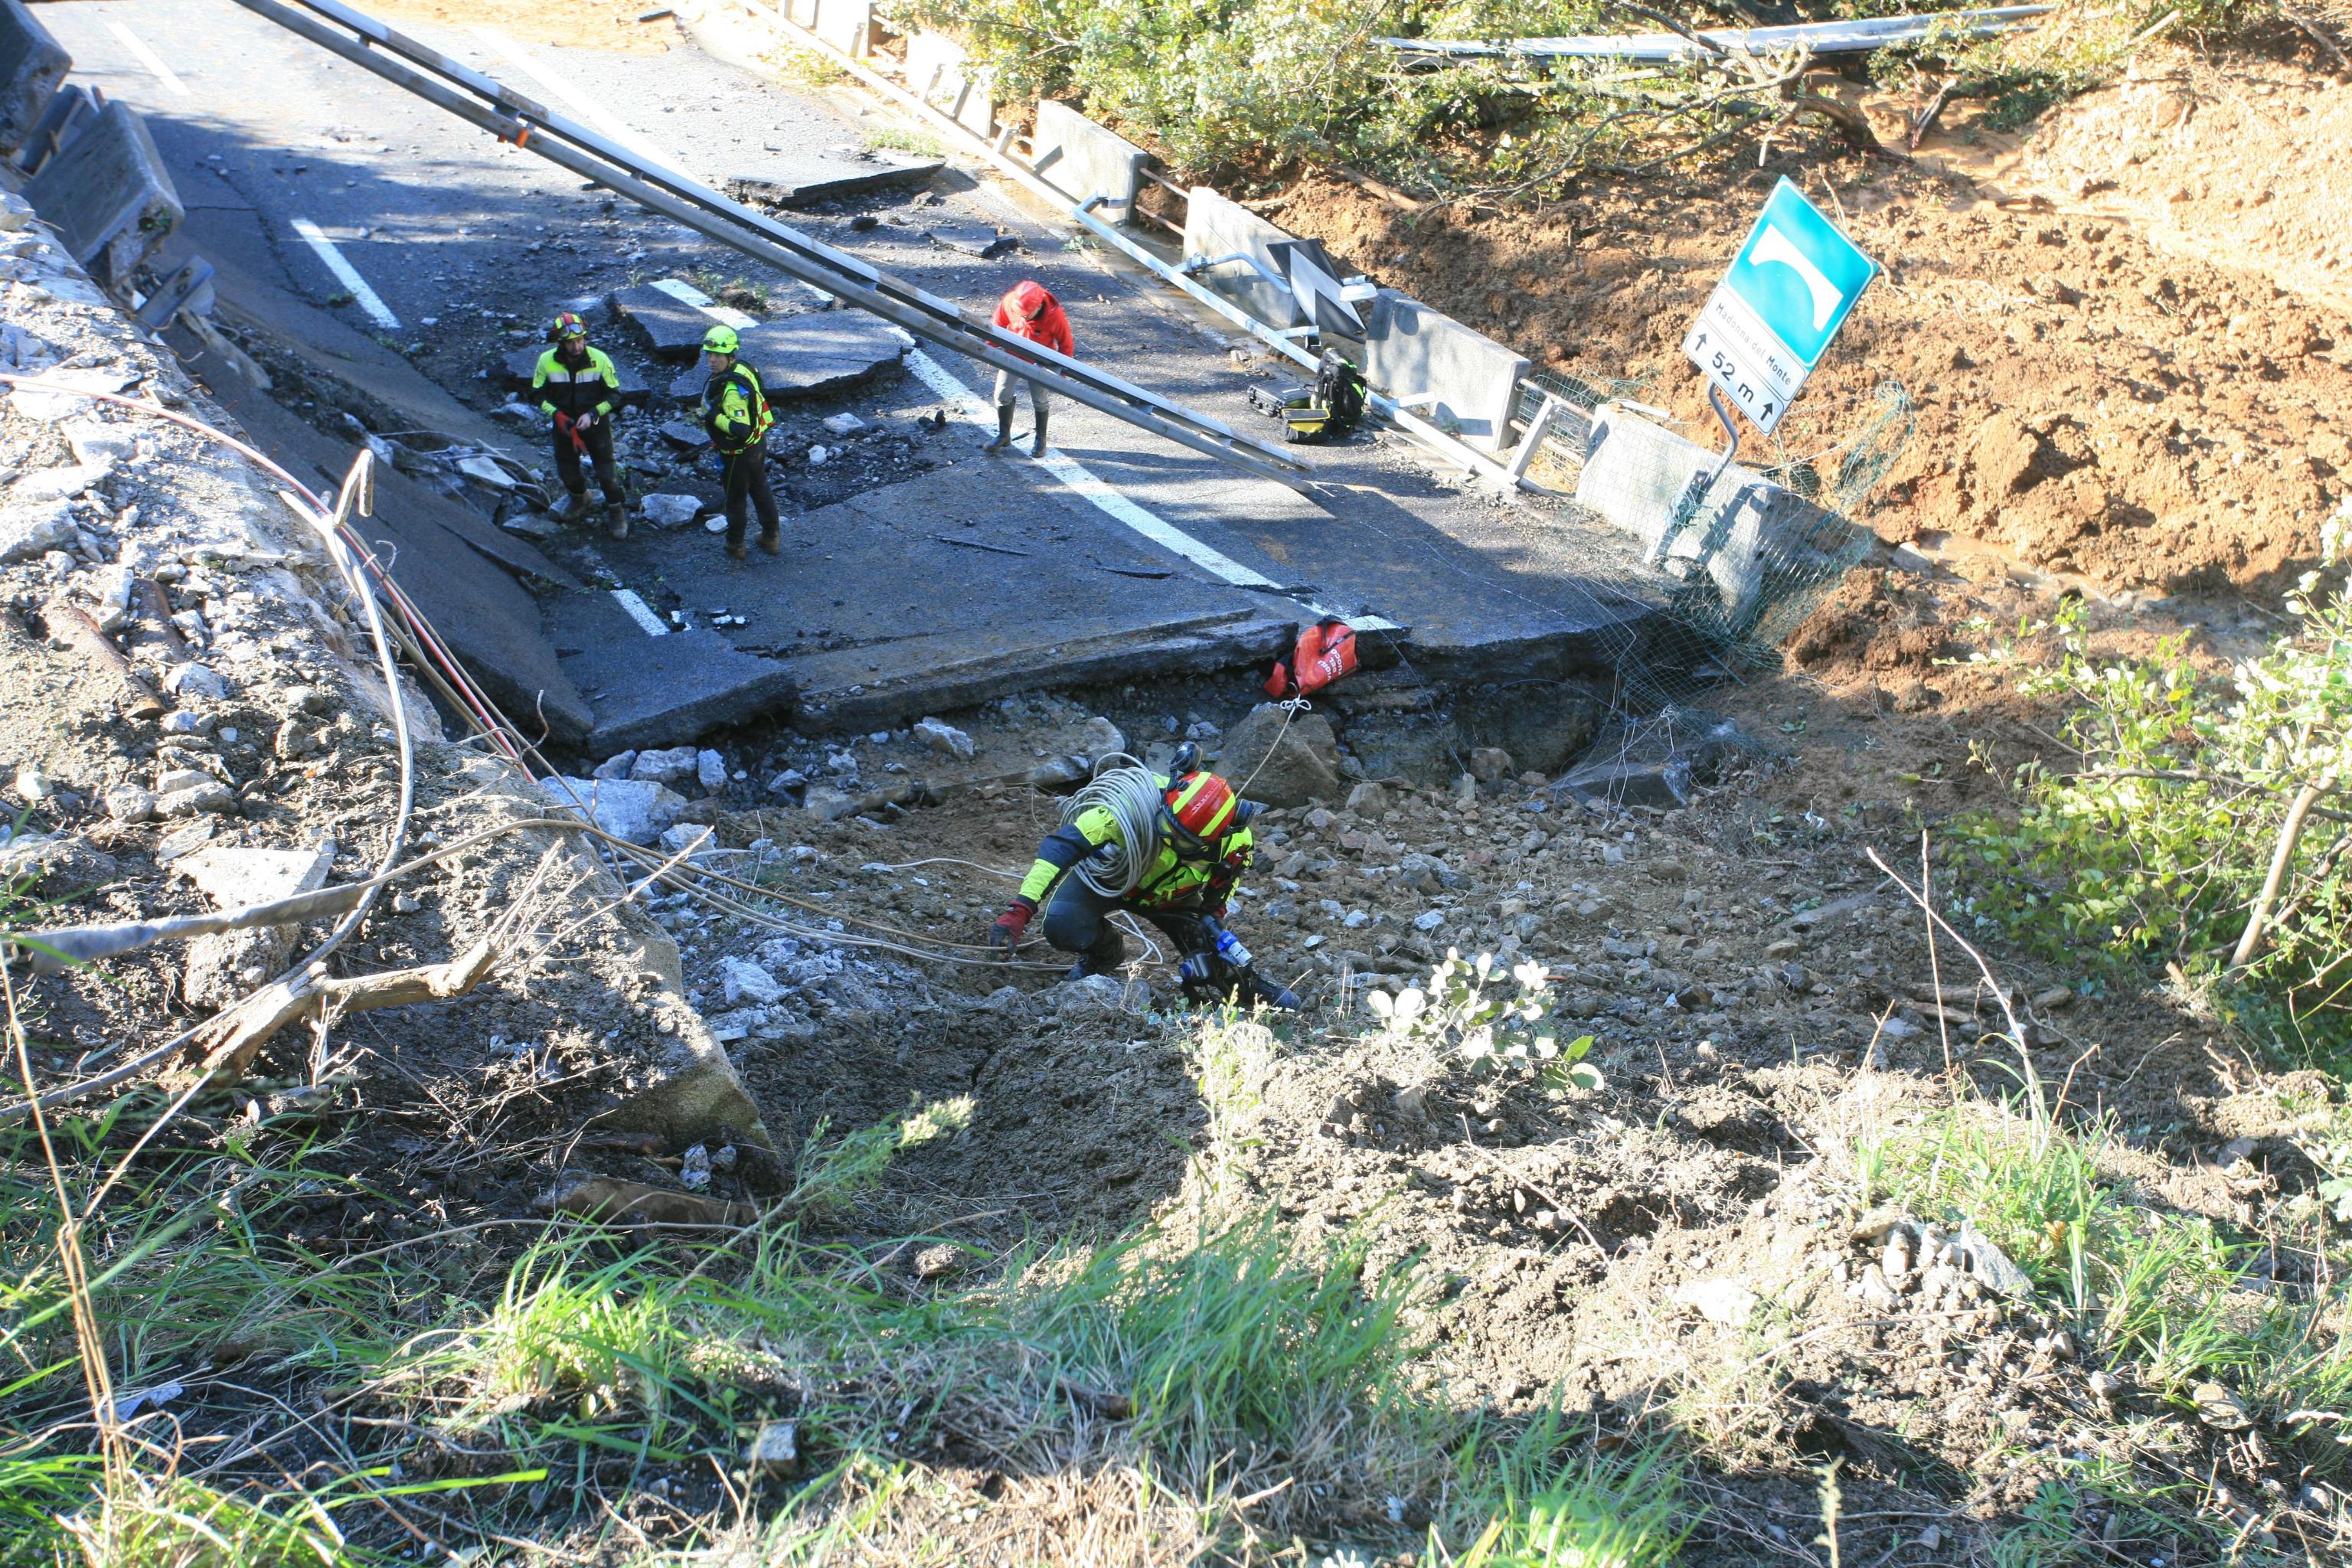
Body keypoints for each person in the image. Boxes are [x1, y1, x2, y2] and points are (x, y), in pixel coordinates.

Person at [985, 752, 1300, 1010]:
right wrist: (1021, 908)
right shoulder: (1131, 804)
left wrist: (1212, 915)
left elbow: (1223, 884)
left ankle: (1249, 993)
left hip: (1172, 897)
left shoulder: (1235, 841)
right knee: (1061, 926)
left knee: (1212, 954)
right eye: (1168, 826)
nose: (1169, 837)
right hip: (1111, 878)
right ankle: (1104, 953)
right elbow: (1060, 849)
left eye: (1184, 840)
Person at [533, 312, 629, 539]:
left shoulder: (600, 359)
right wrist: (556, 415)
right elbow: (538, 395)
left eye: (580, 340)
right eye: (571, 342)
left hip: (596, 426)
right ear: (561, 342)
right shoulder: (546, 361)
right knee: (567, 470)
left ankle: (616, 510)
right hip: (564, 426)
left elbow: (615, 396)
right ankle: (579, 497)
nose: (577, 346)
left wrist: (594, 413)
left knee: (607, 473)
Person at [697, 325, 781, 560]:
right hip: (758, 443)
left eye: (718, 356)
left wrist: (713, 414)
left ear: (730, 355)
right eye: (709, 354)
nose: (712, 360)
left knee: (735, 499)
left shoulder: (732, 390)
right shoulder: (744, 368)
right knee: (760, 488)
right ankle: (771, 537)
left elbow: (740, 430)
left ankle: (735, 544)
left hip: (739, 452)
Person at [986, 279, 1072, 459]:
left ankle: (1041, 439)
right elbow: (997, 324)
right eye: (1020, 313)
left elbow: (1066, 342)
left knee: (1040, 400)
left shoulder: (1055, 316)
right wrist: (990, 348)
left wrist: (1063, 371)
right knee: (1002, 395)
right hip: (1013, 356)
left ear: (1039, 306)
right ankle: (1004, 435)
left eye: (1026, 314)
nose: (1023, 316)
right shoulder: (1010, 301)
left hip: (1040, 361)